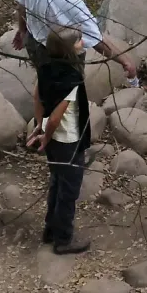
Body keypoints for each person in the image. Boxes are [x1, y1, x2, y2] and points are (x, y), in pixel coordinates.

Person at [27, 29, 92, 255]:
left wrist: (39, 125)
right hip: (68, 140)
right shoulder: (71, 79)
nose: (82, 42)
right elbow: (56, 116)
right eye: (78, 40)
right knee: (69, 189)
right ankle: (63, 239)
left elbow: (37, 96)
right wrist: (46, 131)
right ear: (69, 49)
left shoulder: (45, 69)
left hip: (53, 141)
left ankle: (50, 229)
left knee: (56, 180)